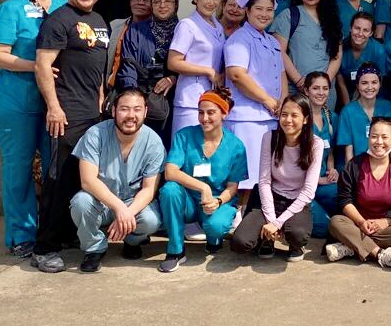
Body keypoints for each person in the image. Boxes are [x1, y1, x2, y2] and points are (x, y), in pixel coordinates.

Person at [31, 0, 110, 274]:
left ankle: (67, 235)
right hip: (65, 115)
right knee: (58, 180)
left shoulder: (98, 20)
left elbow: (99, 68)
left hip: (93, 115)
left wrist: (102, 101)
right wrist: (53, 106)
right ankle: (44, 247)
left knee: (82, 180)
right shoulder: (58, 20)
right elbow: (42, 65)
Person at [0, 0, 67, 257]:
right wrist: (35, 66)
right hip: (17, 101)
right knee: (18, 168)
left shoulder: (65, 7)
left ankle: (54, 229)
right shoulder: (10, 9)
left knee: (58, 168)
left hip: (57, 101)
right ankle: (21, 234)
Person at [69, 88, 165, 272]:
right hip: (101, 202)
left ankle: (132, 241)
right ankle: (94, 249)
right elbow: (88, 181)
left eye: (137, 109)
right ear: (113, 111)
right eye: (124, 109)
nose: (131, 115)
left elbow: (148, 189)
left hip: (133, 203)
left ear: (145, 112)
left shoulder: (153, 142)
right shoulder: (95, 134)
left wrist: (128, 212)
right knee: (80, 202)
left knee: (152, 220)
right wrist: (119, 208)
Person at [158, 89, 248, 272]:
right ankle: (176, 251)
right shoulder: (184, 136)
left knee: (216, 227)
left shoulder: (236, 146)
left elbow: (233, 186)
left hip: (217, 202)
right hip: (189, 201)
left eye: (211, 112)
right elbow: (170, 171)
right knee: (170, 190)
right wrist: (202, 187)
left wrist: (218, 201)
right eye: (200, 112)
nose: (204, 118)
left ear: (224, 113)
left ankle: (213, 240)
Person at [231, 94, 323, 261]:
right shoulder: (270, 138)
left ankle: (295, 245)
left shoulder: (315, 144)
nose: (288, 120)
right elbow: (264, 182)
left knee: (298, 235)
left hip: (297, 202)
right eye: (284, 114)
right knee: (240, 242)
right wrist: (272, 221)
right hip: (270, 198)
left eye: (294, 115)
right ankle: (266, 239)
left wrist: (277, 223)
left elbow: (309, 191)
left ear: (305, 119)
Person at [326, 115, 391, 269]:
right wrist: (361, 222)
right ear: (368, 137)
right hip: (358, 222)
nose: (379, 142)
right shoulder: (355, 164)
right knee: (336, 222)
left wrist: (385, 221)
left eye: (384, 137)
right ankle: (380, 254)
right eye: (374, 136)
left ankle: (350, 246)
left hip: (387, 225)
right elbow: (344, 200)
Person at [224, 0, 286, 208]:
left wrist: (283, 106)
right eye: (259, 9)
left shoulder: (272, 41)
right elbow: (237, 75)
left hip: (271, 118)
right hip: (247, 118)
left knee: (263, 175)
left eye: (269, 10)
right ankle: (234, 217)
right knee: (243, 175)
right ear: (247, 11)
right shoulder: (239, 39)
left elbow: (281, 75)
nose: (264, 14)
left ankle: (250, 219)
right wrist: (268, 101)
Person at [116, 0, 179, 142]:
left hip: (175, 100)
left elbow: (190, 63)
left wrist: (173, 78)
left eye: (167, 1)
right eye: (157, 1)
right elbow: (128, 65)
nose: (162, 5)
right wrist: (134, 99)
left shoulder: (184, 30)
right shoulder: (136, 31)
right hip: (144, 100)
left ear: (176, 5)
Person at [273, 0, 343, 108]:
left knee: (324, 127)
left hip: (326, 92)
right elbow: (278, 51)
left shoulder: (332, 18)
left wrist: (324, 82)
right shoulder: (289, 16)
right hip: (297, 90)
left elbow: (337, 55)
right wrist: (299, 81)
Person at [167, 0, 226, 137]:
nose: (211, 2)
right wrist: (208, 71)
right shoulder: (188, 25)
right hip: (190, 100)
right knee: (187, 150)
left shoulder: (218, 27)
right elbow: (173, 62)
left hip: (212, 99)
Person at [336, 62, 391, 162]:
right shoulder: (348, 112)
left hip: (384, 167)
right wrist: (353, 176)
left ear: (380, 84)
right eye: (364, 83)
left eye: (374, 82)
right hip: (358, 169)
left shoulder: (388, 108)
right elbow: (349, 153)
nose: (369, 87)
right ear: (357, 85)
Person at [305, 71, 340, 238]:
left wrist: (332, 169)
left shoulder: (331, 118)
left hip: (324, 184)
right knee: (326, 229)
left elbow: (330, 150)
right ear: (306, 91)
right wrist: (317, 179)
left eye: (325, 88)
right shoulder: (299, 119)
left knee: (342, 196)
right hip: (302, 185)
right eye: (315, 88)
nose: (321, 92)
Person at [106, 0, 156, 81]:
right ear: (131, 1)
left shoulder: (159, 31)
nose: (141, 2)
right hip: (113, 89)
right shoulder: (115, 26)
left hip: (142, 89)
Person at [337, 12, 386, 108]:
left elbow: (379, 82)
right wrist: (349, 108)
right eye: (357, 28)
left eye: (365, 30)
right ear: (351, 28)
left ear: (371, 33)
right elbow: (340, 82)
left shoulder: (378, 51)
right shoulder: (340, 48)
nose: (360, 33)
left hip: (370, 95)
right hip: (345, 96)